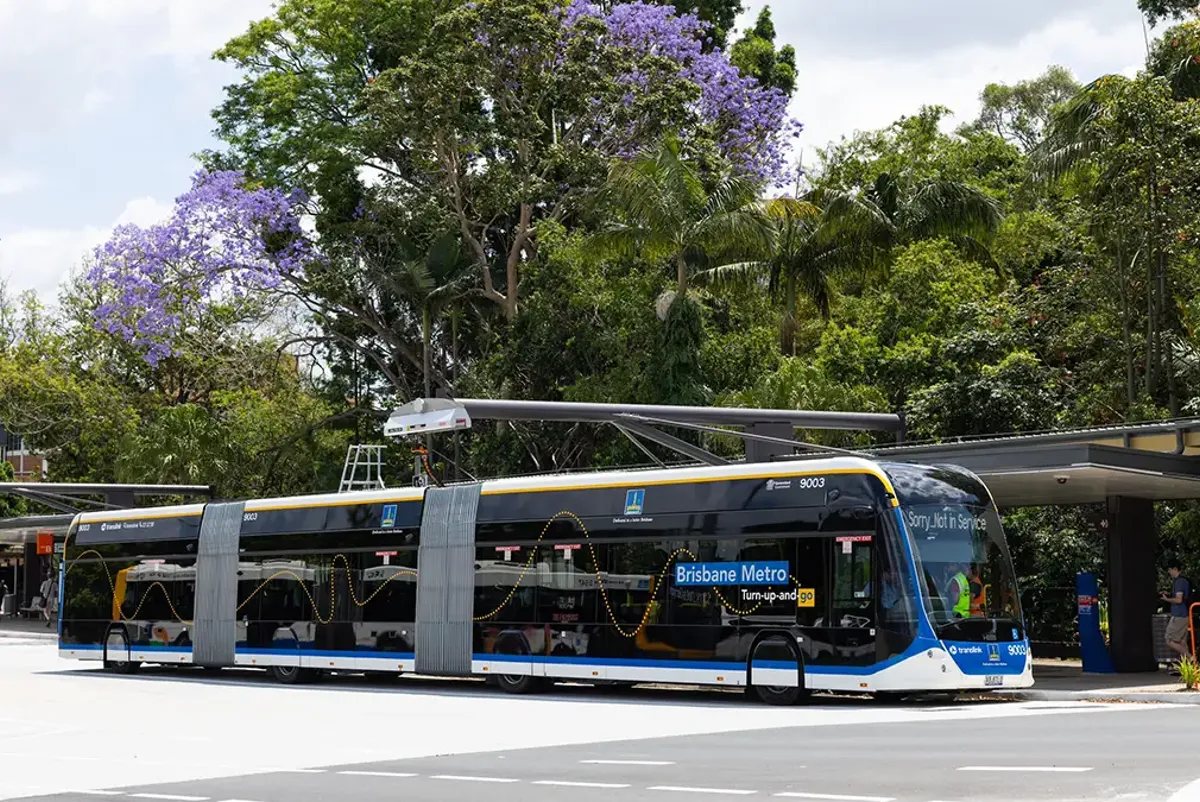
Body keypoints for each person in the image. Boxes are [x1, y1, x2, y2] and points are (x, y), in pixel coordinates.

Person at [1160, 560, 1192, 665]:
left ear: (1174, 569)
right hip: (1185, 614)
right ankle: (1188, 667)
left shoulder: (1179, 582)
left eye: (1169, 569)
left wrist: (1167, 599)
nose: (1169, 572)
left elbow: (1179, 600)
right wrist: (1169, 594)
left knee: (1169, 640)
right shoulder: (1184, 581)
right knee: (1182, 641)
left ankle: (1190, 658)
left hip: (1179, 615)